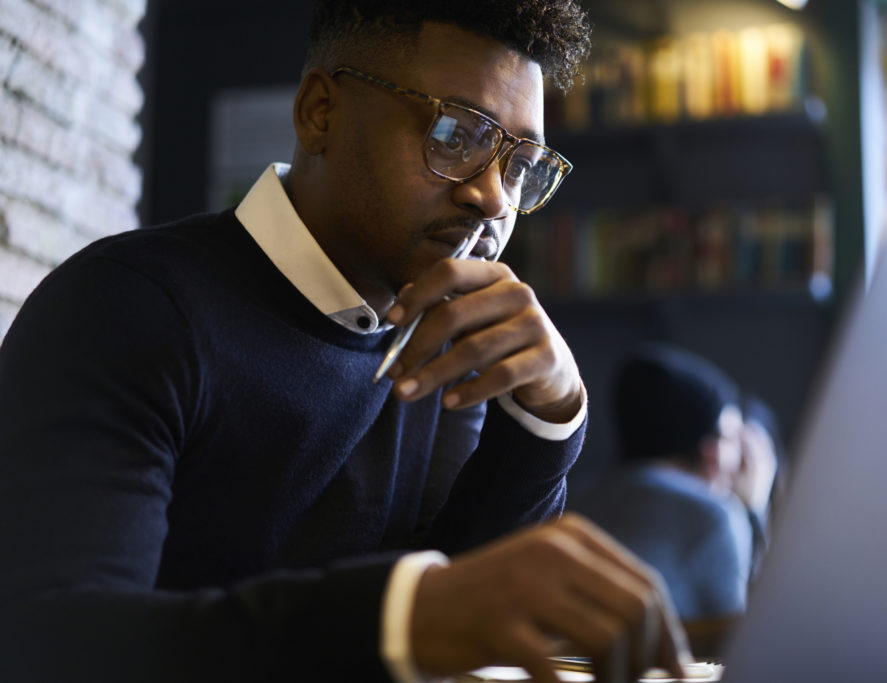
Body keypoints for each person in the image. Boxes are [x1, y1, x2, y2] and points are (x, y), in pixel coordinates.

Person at [0, 2, 689, 682]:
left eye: (520, 164)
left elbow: (479, 637)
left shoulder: (449, 354)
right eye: (456, 133)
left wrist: (545, 422)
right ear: (319, 112)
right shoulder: (128, 307)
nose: (494, 197)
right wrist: (399, 616)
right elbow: (52, 643)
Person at [570, 343, 777, 622]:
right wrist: (754, 511)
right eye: (730, 436)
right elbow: (747, 643)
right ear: (710, 449)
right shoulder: (714, 517)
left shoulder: (574, 498)